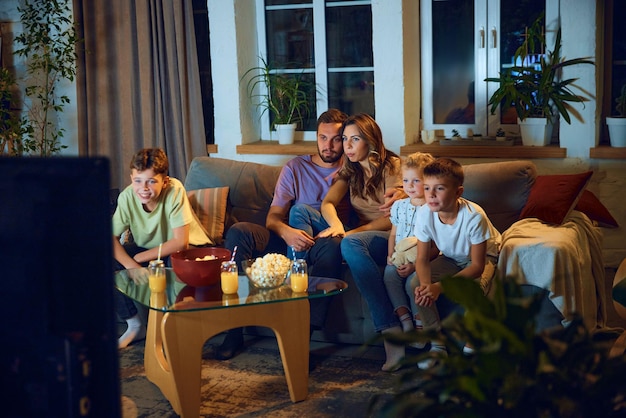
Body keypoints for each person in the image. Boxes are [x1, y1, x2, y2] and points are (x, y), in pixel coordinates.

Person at [216, 109, 350, 362]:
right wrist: (287, 232)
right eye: (323, 138)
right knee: (239, 232)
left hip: (326, 239)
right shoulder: (296, 167)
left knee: (332, 248)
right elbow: (273, 218)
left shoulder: (352, 168)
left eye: (336, 139)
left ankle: (301, 339)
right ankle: (234, 329)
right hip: (291, 237)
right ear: (316, 137)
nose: (329, 145)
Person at [318, 113, 407, 372]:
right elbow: (327, 204)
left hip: (392, 238)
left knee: (350, 244)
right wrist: (336, 225)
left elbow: (393, 219)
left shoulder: (392, 167)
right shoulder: (351, 170)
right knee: (308, 216)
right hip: (361, 238)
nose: (346, 146)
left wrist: (354, 233)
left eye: (354, 139)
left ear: (370, 140)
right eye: (345, 139)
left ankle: (391, 333)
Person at [112, 148, 212, 348]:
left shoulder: (175, 190)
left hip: (185, 248)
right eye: (138, 181)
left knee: (173, 260)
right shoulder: (126, 197)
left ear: (164, 181)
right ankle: (134, 324)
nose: (143, 188)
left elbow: (180, 242)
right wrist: (131, 265)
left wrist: (139, 260)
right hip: (148, 247)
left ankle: (175, 329)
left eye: (151, 181)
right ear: (131, 178)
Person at [411, 157, 501, 368]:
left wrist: (439, 287)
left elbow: (477, 266)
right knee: (416, 285)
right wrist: (426, 286)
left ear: (458, 192)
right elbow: (422, 258)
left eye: (439, 188)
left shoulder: (473, 217)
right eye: (426, 188)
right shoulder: (424, 213)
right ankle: (437, 346)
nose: (431, 195)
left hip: (483, 258)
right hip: (451, 257)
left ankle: (471, 349)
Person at [382, 152, 436, 344]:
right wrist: (390, 255)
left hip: (421, 259)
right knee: (389, 275)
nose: (409, 186)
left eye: (416, 181)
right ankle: (404, 318)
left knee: (412, 281)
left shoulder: (433, 208)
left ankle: (419, 324)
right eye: (406, 180)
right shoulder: (399, 205)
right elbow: (394, 234)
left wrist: (414, 266)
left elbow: (436, 245)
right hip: (399, 256)